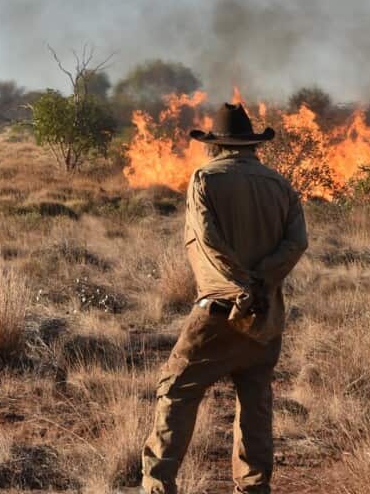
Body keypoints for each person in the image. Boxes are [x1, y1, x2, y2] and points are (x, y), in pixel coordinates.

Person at [131, 103, 308, 494]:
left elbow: (208, 241)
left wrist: (241, 284)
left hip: (219, 312)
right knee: (256, 404)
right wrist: (262, 282)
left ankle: (158, 487)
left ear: (216, 145)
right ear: (251, 145)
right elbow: (297, 242)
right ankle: (253, 487)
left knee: (176, 392)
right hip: (266, 315)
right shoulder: (281, 185)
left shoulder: (205, 179)